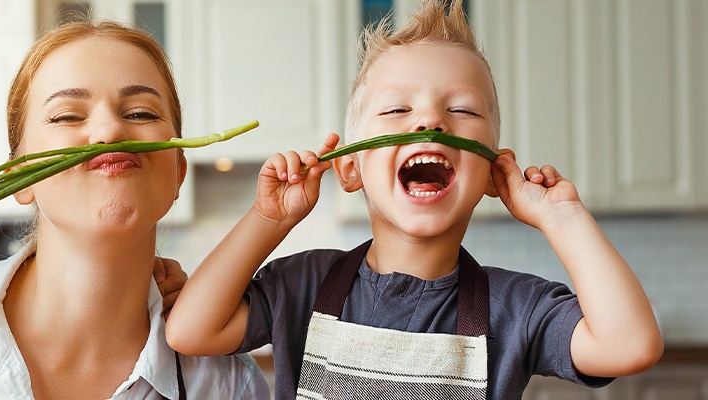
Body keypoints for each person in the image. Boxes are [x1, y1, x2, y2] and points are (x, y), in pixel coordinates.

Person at [164, 1, 664, 399]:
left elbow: (630, 346)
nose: (430, 122)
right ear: (351, 167)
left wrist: (564, 217)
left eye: (462, 109)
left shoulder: (515, 309)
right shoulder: (303, 284)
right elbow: (191, 331)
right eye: (398, 108)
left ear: (494, 171)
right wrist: (267, 219)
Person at [0, 21, 269, 399]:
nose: (109, 131)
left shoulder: (227, 383)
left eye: (140, 113)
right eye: (67, 116)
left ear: (177, 173)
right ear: (21, 179)